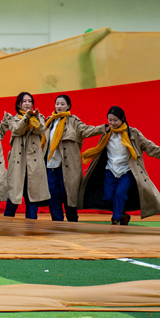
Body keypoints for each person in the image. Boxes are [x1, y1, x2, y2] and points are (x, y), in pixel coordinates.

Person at [79, 106, 160, 225]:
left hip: (127, 171)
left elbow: (151, 148)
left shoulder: (133, 134)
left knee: (120, 194)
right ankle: (123, 215)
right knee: (108, 196)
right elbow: (99, 153)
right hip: (110, 170)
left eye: (115, 120)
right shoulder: (107, 133)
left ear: (122, 119)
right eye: (110, 120)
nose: (112, 123)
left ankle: (115, 219)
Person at [42, 94, 106, 222]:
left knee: (69, 196)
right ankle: (57, 224)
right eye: (57, 104)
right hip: (50, 166)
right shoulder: (49, 121)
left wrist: (103, 128)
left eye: (62, 104)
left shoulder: (73, 122)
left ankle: (72, 223)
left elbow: (86, 131)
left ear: (68, 106)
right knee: (53, 197)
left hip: (68, 167)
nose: (59, 106)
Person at [0, 92, 49, 219]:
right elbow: (17, 130)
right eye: (24, 101)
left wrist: (34, 118)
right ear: (18, 104)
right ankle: (7, 225)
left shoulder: (39, 117)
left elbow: (40, 129)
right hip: (18, 164)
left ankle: (31, 226)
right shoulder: (12, 119)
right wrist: (26, 118)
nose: (27, 104)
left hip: (33, 164)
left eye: (29, 101)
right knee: (13, 197)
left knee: (32, 198)